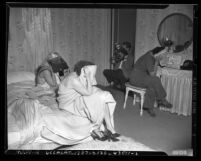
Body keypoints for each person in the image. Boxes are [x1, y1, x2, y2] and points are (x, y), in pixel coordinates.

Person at [40, 60, 120, 146]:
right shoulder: (73, 79)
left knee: (102, 95)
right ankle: (96, 128)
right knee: (95, 97)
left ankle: (109, 126)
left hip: (76, 98)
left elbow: (92, 86)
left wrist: (90, 80)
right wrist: (89, 77)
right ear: (83, 70)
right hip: (68, 104)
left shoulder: (77, 75)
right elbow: (88, 93)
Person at [129, 46, 172, 117]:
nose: (162, 57)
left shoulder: (150, 56)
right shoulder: (148, 58)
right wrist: (157, 62)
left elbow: (150, 73)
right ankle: (162, 99)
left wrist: (156, 61)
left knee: (152, 86)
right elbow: (153, 75)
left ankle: (149, 107)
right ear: (158, 54)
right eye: (161, 56)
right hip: (135, 78)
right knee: (156, 79)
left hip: (141, 77)